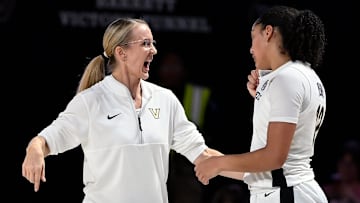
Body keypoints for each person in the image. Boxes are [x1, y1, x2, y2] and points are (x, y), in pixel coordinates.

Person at [21, 17, 223, 203]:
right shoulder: (90, 101)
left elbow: (203, 154)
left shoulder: (166, 100)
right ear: (121, 52)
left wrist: (250, 171)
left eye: (153, 43)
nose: (153, 50)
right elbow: (48, 139)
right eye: (145, 43)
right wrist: (34, 150)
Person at [194, 5, 328, 203]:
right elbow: (272, 168)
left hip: (285, 193)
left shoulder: (286, 78)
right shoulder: (304, 75)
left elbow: (274, 158)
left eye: (253, 37)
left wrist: (219, 162)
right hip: (289, 191)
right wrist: (218, 164)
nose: (250, 48)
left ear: (268, 32)